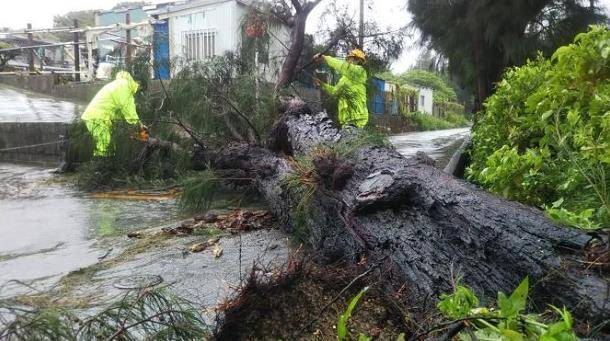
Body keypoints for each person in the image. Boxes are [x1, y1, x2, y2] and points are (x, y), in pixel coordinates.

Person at [81, 71, 146, 157]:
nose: (137, 92)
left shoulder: (120, 83)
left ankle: (105, 164)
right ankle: (100, 167)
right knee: (105, 144)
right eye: (140, 89)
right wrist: (139, 125)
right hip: (98, 117)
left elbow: (118, 110)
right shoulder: (125, 87)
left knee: (108, 144)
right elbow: (129, 110)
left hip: (100, 117)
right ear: (138, 83)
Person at [314, 49, 369, 128]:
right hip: (346, 122)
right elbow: (335, 91)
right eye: (348, 59)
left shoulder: (360, 72)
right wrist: (322, 84)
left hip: (357, 120)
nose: (348, 61)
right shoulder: (344, 79)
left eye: (350, 58)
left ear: (357, 60)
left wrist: (325, 58)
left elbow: (342, 66)